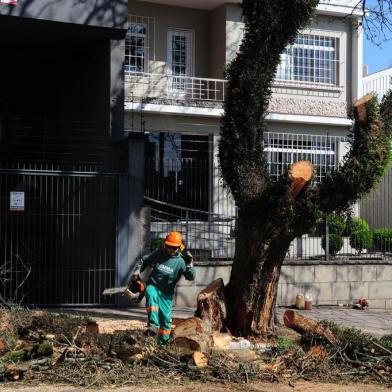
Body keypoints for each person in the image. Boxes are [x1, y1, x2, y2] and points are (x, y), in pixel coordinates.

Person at [132, 231, 196, 345]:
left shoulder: (181, 261)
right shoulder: (159, 254)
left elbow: (191, 277)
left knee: (166, 321)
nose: (171, 249)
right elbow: (145, 260)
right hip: (154, 286)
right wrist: (138, 270)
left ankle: (162, 345)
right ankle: (153, 326)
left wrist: (189, 265)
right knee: (151, 294)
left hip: (167, 294)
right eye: (168, 246)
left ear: (180, 247)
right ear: (165, 244)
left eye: (174, 247)